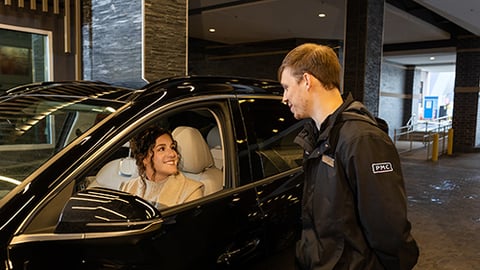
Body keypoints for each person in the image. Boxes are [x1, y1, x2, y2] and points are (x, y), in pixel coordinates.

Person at [278, 43, 419, 270]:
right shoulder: (318, 136)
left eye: (286, 87)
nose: (284, 98)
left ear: (306, 80)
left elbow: (388, 227)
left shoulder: (362, 139)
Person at [120, 126, 204, 209]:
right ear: (143, 158)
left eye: (172, 147)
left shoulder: (191, 192)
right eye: (162, 149)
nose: (173, 154)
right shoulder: (127, 187)